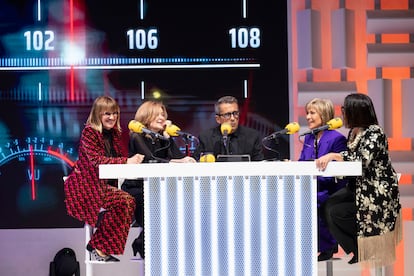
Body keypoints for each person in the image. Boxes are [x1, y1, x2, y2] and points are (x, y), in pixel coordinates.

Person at [316, 93, 402, 267]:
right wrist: (335, 158)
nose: (342, 113)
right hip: (356, 187)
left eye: (345, 110)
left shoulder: (374, 133)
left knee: (336, 211)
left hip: (374, 191)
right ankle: (358, 248)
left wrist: (334, 155)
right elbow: (351, 156)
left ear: (355, 111)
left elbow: (361, 160)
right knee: (328, 205)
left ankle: (365, 248)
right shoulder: (353, 132)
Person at [64, 96, 145, 262]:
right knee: (126, 201)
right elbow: (96, 161)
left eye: (115, 113)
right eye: (107, 113)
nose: (112, 117)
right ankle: (98, 247)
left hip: (102, 186)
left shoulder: (114, 134)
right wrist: (126, 161)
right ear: (97, 114)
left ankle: (102, 246)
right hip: (86, 188)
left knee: (132, 199)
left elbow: (114, 160)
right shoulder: (90, 132)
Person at [123, 100, 196, 259]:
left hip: (156, 188)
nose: (162, 117)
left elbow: (178, 157)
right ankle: (147, 243)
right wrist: (177, 162)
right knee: (154, 202)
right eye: (157, 114)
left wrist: (167, 137)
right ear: (146, 116)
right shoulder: (137, 136)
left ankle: (148, 243)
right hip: (138, 187)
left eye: (163, 114)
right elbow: (151, 160)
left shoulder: (161, 138)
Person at [298, 98, 348, 261]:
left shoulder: (337, 138)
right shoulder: (309, 138)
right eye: (307, 113)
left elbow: (342, 164)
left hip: (328, 189)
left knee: (317, 201)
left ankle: (329, 245)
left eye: (312, 113)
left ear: (324, 114)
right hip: (310, 186)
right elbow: (303, 161)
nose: (308, 117)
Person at [193, 95, 264, 161]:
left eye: (235, 113)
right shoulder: (205, 137)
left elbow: (260, 165)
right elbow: (195, 163)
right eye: (227, 115)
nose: (233, 118)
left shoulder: (253, 136)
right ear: (218, 119)